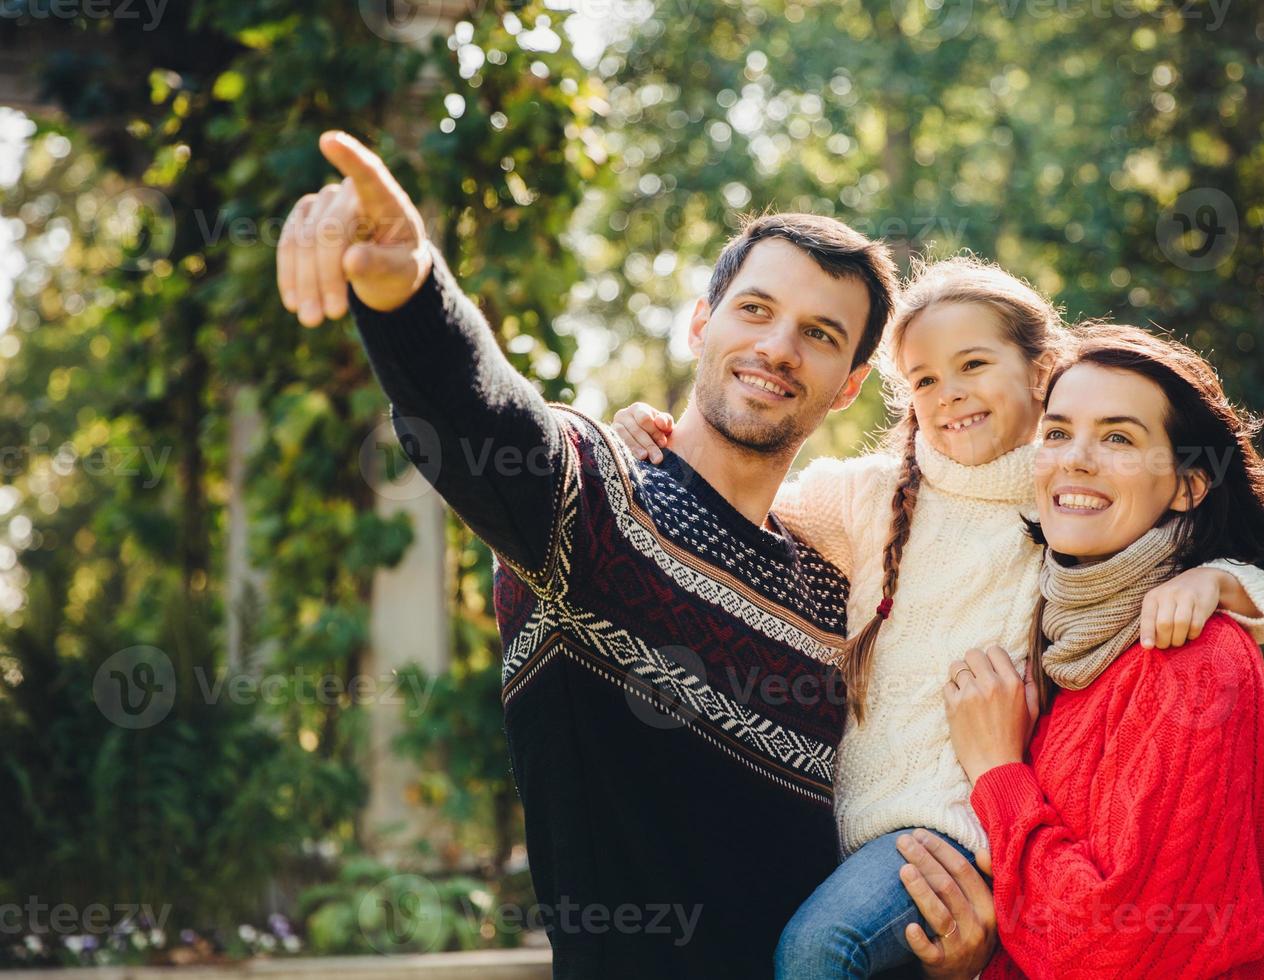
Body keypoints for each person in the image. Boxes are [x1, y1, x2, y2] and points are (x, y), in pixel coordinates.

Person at [274, 130, 993, 980]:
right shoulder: (596, 501)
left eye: (820, 334)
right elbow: (484, 423)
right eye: (755, 310)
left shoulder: (847, 583)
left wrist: (951, 949)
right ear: (701, 324)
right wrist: (408, 286)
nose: (777, 349)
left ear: (846, 387)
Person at [612, 257, 1264, 978]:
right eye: (925, 379)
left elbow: (1198, 553)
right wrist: (651, 438)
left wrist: (1221, 580)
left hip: (957, 831)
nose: (949, 394)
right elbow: (737, 491)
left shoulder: (1067, 502)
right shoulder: (871, 494)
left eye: (972, 364)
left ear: (1041, 372)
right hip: (847, 822)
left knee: (818, 952)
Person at [942, 324, 1264, 978]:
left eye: (1118, 437)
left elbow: (1113, 951)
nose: (1075, 459)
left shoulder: (1196, 656)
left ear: (1188, 487)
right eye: (1057, 432)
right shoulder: (1062, 643)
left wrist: (997, 772)